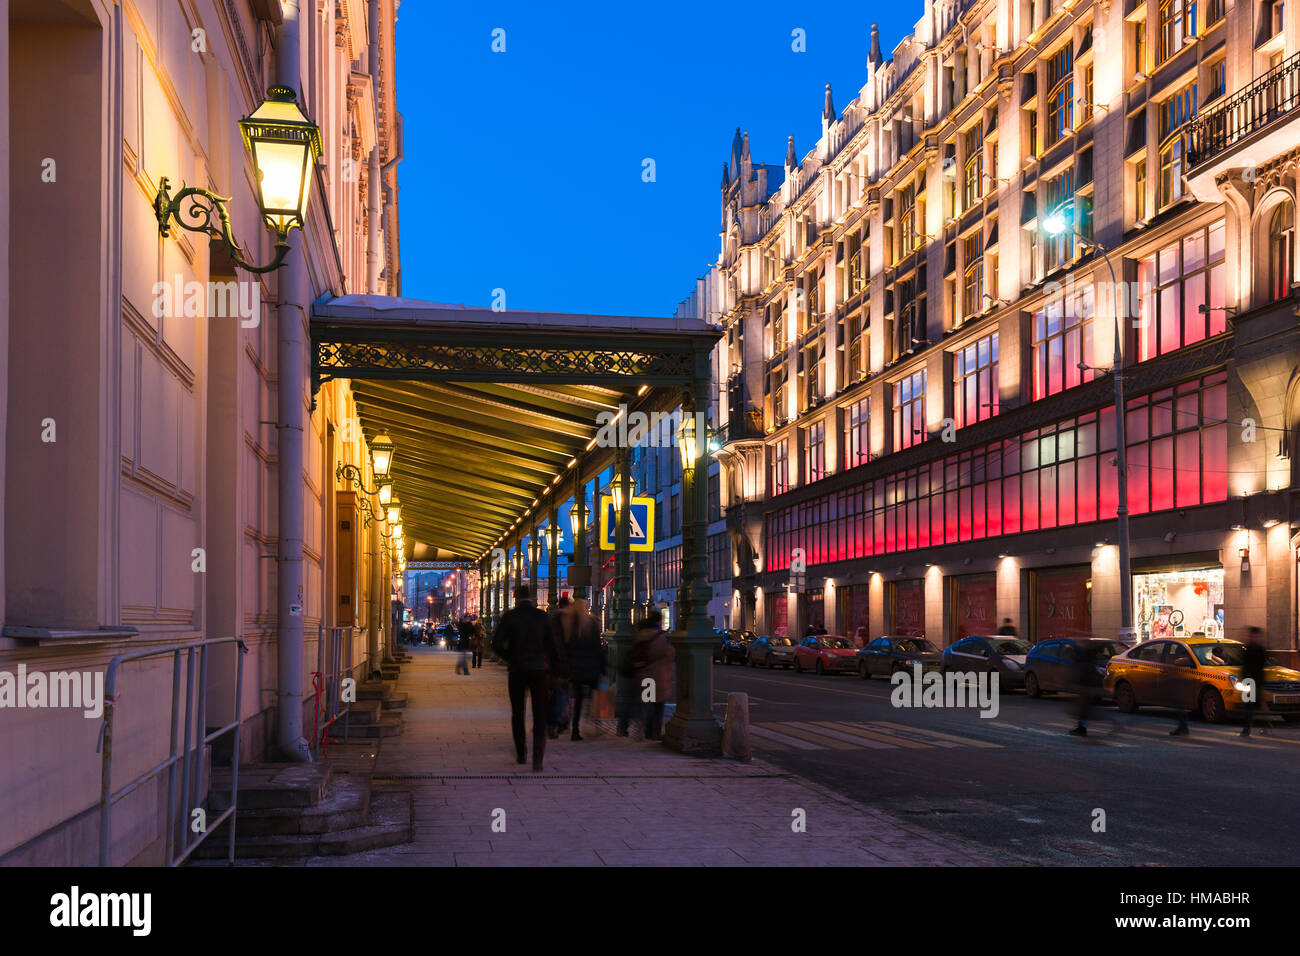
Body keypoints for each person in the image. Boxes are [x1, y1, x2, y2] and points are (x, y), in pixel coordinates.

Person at [491, 585, 557, 771]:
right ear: (532, 597)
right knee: (540, 714)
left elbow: (495, 643)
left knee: (517, 712)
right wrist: (553, 668)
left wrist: (510, 656)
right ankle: (538, 758)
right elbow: (553, 647)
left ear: (514, 597)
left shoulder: (509, 617)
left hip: (517, 669)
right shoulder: (542, 617)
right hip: (538, 670)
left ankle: (521, 753)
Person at [566, 599, 606, 741]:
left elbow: (568, 648)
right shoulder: (592, 623)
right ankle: (595, 724)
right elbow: (598, 647)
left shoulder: (571, 625)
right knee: (595, 696)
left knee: (578, 700)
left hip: (576, 668)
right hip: (591, 667)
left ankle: (575, 730)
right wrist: (603, 666)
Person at [630, 617, 675, 741]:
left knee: (648, 703)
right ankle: (656, 732)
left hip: (644, 675)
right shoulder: (661, 637)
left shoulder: (640, 636)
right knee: (658, 706)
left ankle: (647, 731)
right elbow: (670, 654)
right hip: (659, 675)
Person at [548, 598, 574, 739]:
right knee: (562, 695)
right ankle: (559, 722)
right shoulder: (570, 621)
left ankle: (552, 723)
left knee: (554, 695)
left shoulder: (551, 621)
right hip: (563, 665)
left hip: (551, 666)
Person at [1068, 641, 1102, 737]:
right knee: (1084, 709)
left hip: (1087, 688)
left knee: (1083, 709)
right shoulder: (1089, 661)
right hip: (1089, 687)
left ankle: (1082, 728)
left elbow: (1083, 675)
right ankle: (1082, 727)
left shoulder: (1083, 662)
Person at [1241, 626, 1268, 737]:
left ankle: (1248, 728)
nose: (1253, 638)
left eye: (1255, 636)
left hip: (1255, 680)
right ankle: (1252, 727)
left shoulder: (1260, 649)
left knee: (1253, 705)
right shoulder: (1247, 648)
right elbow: (1244, 665)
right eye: (1252, 636)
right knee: (1250, 705)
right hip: (1248, 680)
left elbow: (1262, 666)